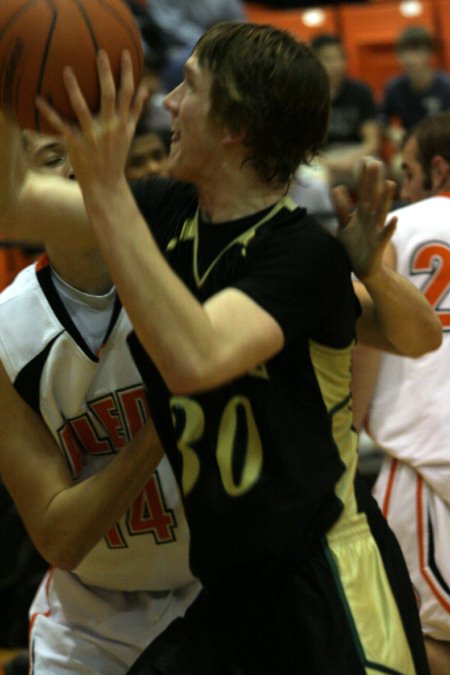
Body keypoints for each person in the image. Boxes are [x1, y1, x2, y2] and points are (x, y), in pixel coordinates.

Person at [0, 22, 441, 673]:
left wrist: (102, 186)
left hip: (324, 582)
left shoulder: (297, 252)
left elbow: (194, 359)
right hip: (229, 587)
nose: (169, 102)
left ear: (233, 127)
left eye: (190, 88)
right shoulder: (169, 210)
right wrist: (11, 89)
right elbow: (14, 202)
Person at [0, 131, 201, 675]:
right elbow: (58, 538)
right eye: (51, 157)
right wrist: (165, 417)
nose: (75, 168)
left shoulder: (192, 271)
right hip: (91, 619)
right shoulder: (7, 332)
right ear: (22, 193)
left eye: (84, 150)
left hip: (221, 593)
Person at [351, 110, 450, 675]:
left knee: (407, 641)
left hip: (422, 469)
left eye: (407, 170)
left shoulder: (398, 228)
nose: (403, 184)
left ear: (436, 169)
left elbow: (362, 338)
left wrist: (349, 426)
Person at [311, 33, 381, 189]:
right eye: (328, 59)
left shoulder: (361, 91)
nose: (336, 64)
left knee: (374, 170)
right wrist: (330, 163)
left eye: (339, 58)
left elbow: (372, 141)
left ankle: (378, 213)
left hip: (356, 153)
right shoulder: (306, 95)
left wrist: (349, 160)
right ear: (314, 61)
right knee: (311, 180)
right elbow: (303, 149)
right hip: (323, 157)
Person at [380, 26, 450, 152]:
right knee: (397, 167)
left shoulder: (446, 86)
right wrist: (391, 131)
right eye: (404, 52)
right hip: (412, 149)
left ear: (430, 53)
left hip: (443, 148)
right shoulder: (393, 87)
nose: (409, 58)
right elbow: (382, 119)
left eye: (416, 51)